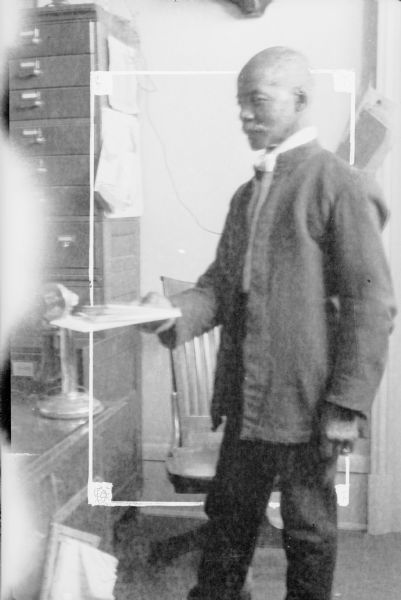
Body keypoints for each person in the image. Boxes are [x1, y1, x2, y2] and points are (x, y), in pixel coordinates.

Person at [142, 46, 396, 600]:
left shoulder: (337, 184)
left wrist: (346, 405)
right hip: (247, 400)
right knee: (229, 519)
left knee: (307, 529)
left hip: (308, 404)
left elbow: (370, 304)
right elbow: (218, 289)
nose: (244, 116)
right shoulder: (247, 194)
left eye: (257, 101)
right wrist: (163, 314)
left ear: (301, 99)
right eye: (240, 104)